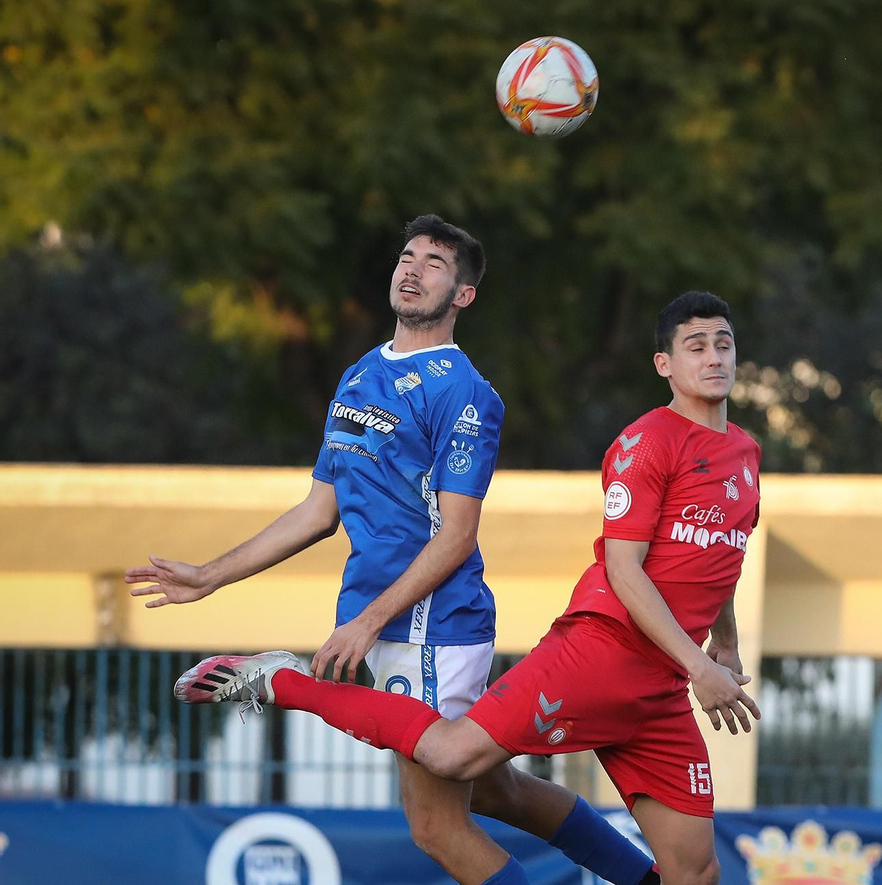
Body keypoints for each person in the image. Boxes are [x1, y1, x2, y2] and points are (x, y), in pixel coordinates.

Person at [127, 215, 654, 885]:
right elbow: (318, 511)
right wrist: (210, 575)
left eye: (435, 264)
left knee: (436, 827)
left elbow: (456, 534)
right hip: (384, 623)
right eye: (408, 256)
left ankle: (280, 679)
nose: (413, 269)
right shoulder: (358, 373)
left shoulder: (463, 391)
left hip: (432, 627)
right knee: (496, 792)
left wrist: (369, 620)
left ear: (463, 294)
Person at [168, 291, 760, 885]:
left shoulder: (745, 453)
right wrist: (698, 666)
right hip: (603, 653)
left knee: (694, 872)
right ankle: (282, 681)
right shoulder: (649, 442)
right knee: (451, 764)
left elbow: (719, 556)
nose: (714, 357)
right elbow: (624, 570)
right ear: (664, 364)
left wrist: (725, 644)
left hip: (663, 685)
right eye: (696, 346)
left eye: (723, 344)